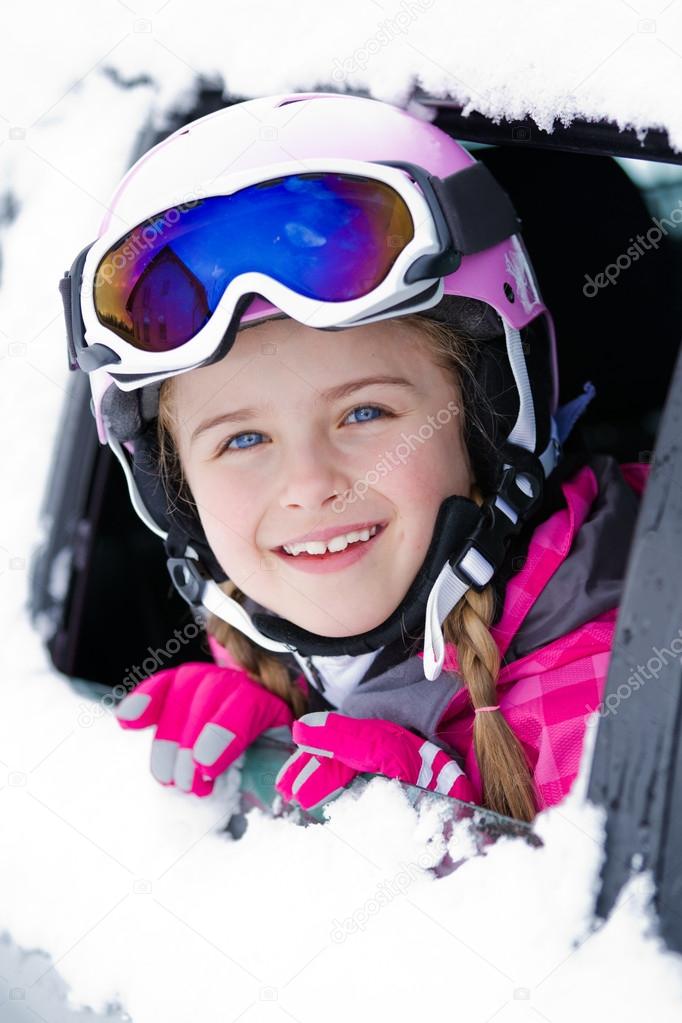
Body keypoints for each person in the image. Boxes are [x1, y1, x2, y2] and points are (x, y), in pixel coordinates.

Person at [59, 92, 648, 823]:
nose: (310, 485)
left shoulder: (631, 725)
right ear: (170, 486)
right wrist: (259, 749)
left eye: (365, 413)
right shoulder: (275, 644)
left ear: (488, 424)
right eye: (243, 440)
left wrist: (460, 856)